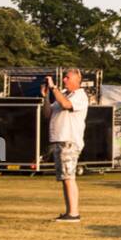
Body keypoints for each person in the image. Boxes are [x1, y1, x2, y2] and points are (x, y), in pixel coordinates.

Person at [42, 68, 89, 222]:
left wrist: (54, 88)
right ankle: (70, 211)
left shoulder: (80, 96)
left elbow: (66, 104)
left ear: (77, 80)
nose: (64, 80)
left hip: (69, 140)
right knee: (65, 177)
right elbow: (47, 114)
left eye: (67, 77)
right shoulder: (64, 93)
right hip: (60, 140)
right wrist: (45, 97)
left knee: (69, 177)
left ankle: (74, 213)